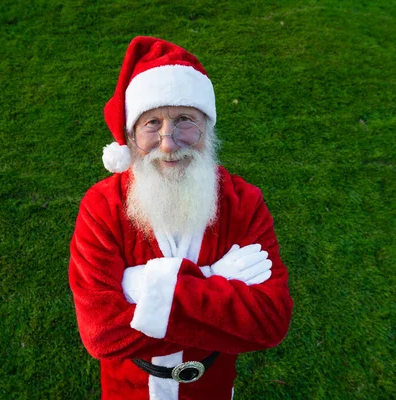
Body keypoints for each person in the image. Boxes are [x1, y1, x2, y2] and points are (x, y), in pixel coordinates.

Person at [69, 36, 293, 400]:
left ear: (208, 127)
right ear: (130, 136)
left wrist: (146, 288)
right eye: (152, 123)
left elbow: (270, 321)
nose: (169, 143)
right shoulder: (102, 206)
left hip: (211, 386)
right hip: (128, 388)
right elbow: (102, 334)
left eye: (185, 120)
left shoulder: (244, 202)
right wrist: (215, 280)